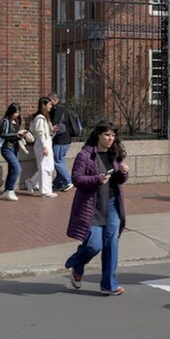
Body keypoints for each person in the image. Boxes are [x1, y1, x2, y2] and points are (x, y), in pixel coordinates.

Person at [65, 120, 130, 295]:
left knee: (111, 243)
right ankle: (77, 265)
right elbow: (76, 179)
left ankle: (109, 284)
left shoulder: (114, 154)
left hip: (112, 204)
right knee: (94, 245)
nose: (110, 139)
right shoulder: (85, 155)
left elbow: (118, 181)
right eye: (107, 135)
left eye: (113, 135)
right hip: (92, 206)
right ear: (98, 135)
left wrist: (124, 173)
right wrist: (96, 179)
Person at [25, 97, 58, 198]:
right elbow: (40, 133)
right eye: (49, 104)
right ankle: (45, 191)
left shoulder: (43, 118)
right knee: (45, 168)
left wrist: (51, 129)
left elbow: (44, 132)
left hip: (45, 143)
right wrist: (44, 146)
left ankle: (32, 182)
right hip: (42, 144)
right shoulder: (40, 118)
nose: (51, 107)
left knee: (49, 167)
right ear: (43, 105)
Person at [0, 103, 27, 202]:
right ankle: (10, 190)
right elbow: (3, 134)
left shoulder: (15, 121)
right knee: (17, 168)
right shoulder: (5, 121)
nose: (17, 115)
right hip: (7, 148)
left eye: (19, 112)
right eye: (16, 112)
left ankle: (7, 190)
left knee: (12, 169)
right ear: (11, 112)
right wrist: (17, 135)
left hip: (15, 148)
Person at [49, 92, 76, 193]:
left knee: (57, 161)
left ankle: (69, 181)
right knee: (61, 161)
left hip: (60, 139)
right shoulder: (64, 108)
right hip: (66, 139)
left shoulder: (58, 109)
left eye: (50, 101)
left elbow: (55, 124)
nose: (49, 104)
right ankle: (58, 183)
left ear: (55, 100)